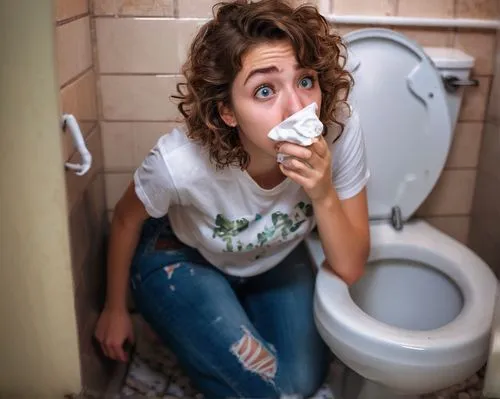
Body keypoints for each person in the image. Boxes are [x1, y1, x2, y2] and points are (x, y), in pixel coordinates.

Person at [94, 0, 370, 398]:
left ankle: (215, 324)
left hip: (274, 254)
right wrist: (114, 308)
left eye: (306, 80)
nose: (297, 107)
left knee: (305, 380)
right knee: (267, 391)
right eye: (264, 90)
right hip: (185, 254)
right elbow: (124, 219)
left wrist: (323, 192)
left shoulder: (338, 127)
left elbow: (350, 267)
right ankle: (177, 316)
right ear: (227, 112)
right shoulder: (180, 161)